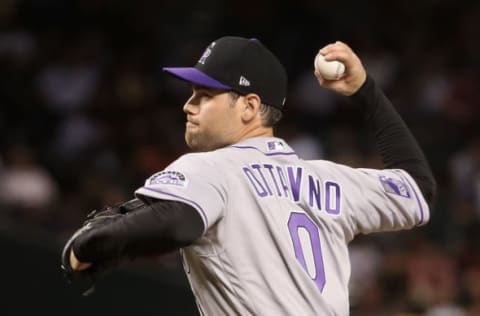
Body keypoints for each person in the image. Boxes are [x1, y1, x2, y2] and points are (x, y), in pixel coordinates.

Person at [61, 36, 436, 315]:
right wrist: (366, 91)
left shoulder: (211, 167)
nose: (187, 105)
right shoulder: (329, 179)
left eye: (203, 95)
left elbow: (176, 223)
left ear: (249, 107)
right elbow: (418, 186)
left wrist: (84, 247)